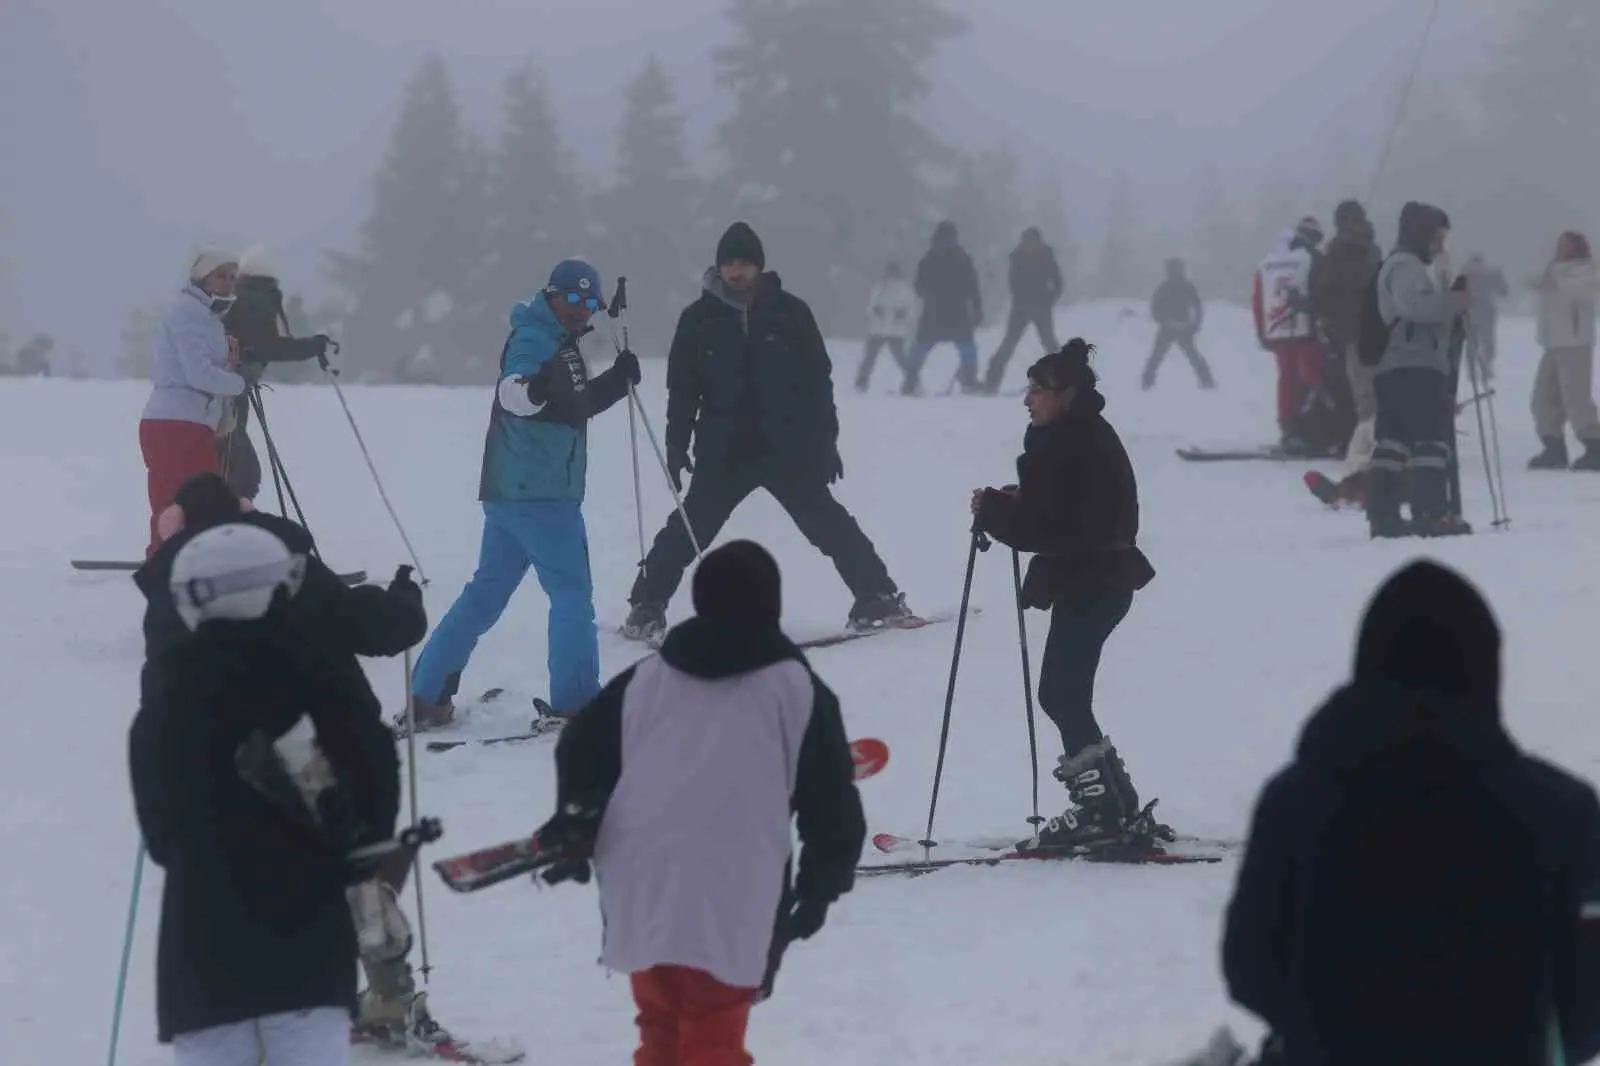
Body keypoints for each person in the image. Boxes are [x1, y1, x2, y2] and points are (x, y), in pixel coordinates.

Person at [1222, 559, 1600, 1066]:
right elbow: (1587, 1005)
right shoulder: (1562, 812)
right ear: (1485, 668)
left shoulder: (1293, 801)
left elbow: (1250, 968)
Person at [130, 472, 457, 1051]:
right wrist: (404, 602)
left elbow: (163, 831)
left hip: (201, 954)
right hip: (311, 948)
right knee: (358, 862)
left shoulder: (173, 613)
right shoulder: (287, 577)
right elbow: (375, 627)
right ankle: (388, 987)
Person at [541, 539, 865, 1065]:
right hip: (733, 887)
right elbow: (830, 802)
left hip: (640, 881)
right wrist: (821, 887)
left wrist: (577, 825)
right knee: (713, 1035)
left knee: (661, 1029)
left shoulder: (646, 680)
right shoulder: (795, 688)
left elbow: (580, 749)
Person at [621, 223, 913, 644]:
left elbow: (818, 384)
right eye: (728, 262)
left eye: (743, 262)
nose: (735, 270)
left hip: (786, 447)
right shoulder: (698, 319)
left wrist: (826, 443)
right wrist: (675, 443)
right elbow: (683, 390)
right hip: (723, 450)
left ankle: (878, 596)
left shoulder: (791, 313)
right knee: (689, 528)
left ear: (759, 265)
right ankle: (646, 605)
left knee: (829, 524)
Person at [409, 259, 639, 729]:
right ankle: (577, 703)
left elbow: (571, 406)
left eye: (588, 302)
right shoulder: (534, 338)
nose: (579, 309)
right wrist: (535, 388)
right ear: (552, 294)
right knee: (572, 595)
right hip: (543, 496)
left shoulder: (560, 344)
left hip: (511, 493)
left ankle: (427, 694)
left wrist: (617, 382)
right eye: (571, 299)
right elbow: (513, 394)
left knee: (485, 595)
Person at [970, 340, 1157, 850]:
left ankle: (1101, 811)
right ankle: (1114, 803)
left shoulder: (1068, 442)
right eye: (1028, 388)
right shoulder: (1079, 435)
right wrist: (1013, 502)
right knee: (1066, 693)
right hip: (1100, 578)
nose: (1028, 400)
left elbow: (1046, 528)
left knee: (1061, 693)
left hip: (1094, 580)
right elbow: (1062, 509)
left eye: (1037, 390)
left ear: (1067, 394)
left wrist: (994, 511)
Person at [1364, 201, 1473, 538]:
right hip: (1415, 365)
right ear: (1420, 234)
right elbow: (1416, 307)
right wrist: (1455, 302)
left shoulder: (1400, 265)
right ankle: (1432, 512)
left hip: (1396, 366)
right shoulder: (1405, 266)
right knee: (1429, 440)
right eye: (1436, 237)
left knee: (1393, 442)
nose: (1439, 245)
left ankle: (1383, 515)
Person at [140, 249, 252, 558]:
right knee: (197, 498)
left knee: (176, 499)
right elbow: (199, 374)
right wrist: (241, 382)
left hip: (179, 421)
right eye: (220, 275)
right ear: (202, 277)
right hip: (178, 423)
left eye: (232, 277)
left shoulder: (204, 315)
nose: (228, 282)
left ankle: (166, 556)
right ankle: (174, 559)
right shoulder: (190, 313)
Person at [217, 272, 333, 501]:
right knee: (242, 476)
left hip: (228, 394)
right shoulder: (256, 301)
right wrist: (312, 346)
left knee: (238, 472)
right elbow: (272, 346)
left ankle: (230, 516)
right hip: (228, 397)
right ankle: (233, 518)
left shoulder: (237, 299)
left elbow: (264, 345)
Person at [1305, 201, 1383, 507]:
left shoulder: (1333, 253)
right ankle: (1377, 470)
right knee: (1379, 405)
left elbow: (1320, 293)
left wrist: (1327, 321)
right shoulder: (1374, 251)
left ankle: (1360, 477)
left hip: (1351, 337)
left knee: (1365, 408)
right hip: (1382, 334)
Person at [1253, 217, 1327, 455]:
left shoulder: (1267, 263)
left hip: (1277, 331)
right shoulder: (1311, 260)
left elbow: (1258, 299)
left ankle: (1288, 430)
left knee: (1286, 380)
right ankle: (1311, 428)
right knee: (1311, 378)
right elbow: (1322, 293)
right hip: (1307, 331)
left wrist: (1262, 331)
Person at [1528, 231, 1600, 471]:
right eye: (1560, 244)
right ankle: (1553, 445)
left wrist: (1553, 282)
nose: (1561, 249)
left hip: (1575, 341)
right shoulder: (1553, 269)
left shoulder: (1587, 269)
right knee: (1543, 395)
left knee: (1575, 396)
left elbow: (1580, 292)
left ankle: (1594, 444)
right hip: (1554, 341)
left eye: (1566, 245)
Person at [903, 220, 983, 395]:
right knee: (966, 346)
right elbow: (973, 286)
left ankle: (909, 381)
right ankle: (969, 380)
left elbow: (918, 285)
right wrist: (977, 309)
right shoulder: (961, 257)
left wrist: (929, 294)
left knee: (921, 346)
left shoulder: (929, 257)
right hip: (956, 310)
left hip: (935, 310)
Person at [981, 226, 1064, 394]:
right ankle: (992, 381)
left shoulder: (1046, 258)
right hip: (1021, 307)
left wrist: (1050, 298)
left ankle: (1065, 379)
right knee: (1009, 343)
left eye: (1033, 243)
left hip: (1041, 306)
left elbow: (1058, 281)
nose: (1030, 247)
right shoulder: (1017, 258)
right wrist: (1022, 297)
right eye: (1027, 243)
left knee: (1049, 342)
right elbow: (1013, 283)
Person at [1142, 258, 1214, 390]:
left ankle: (1146, 383)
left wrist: (1194, 325)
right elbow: (1155, 309)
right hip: (1173, 327)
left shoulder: (1179, 287)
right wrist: (1192, 325)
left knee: (1190, 357)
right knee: (1158, 357)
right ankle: (1146, 383)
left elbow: (1197, 307)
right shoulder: (1172, 287)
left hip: (1180, 328)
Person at [856, 260, 918, 392]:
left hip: (896, 331)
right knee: (870, 357)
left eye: (891, 273)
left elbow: (911, 310)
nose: (888, 276)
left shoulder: (905, 290)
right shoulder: (879, 288)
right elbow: (870, 307)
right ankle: (861, 382)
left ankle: (913, 381)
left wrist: (902, 316)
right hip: (877, 329)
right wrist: (875, 311)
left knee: (901, 358)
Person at [1462, 252, 1509, 383]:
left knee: (1471, 344)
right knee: (1488, 342)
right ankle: (1486, 368)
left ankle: (1472, 372)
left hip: (1469, 311)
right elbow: (1503, 291)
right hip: (1487, 311)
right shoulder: (1492, 272)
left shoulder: (1463, 272)